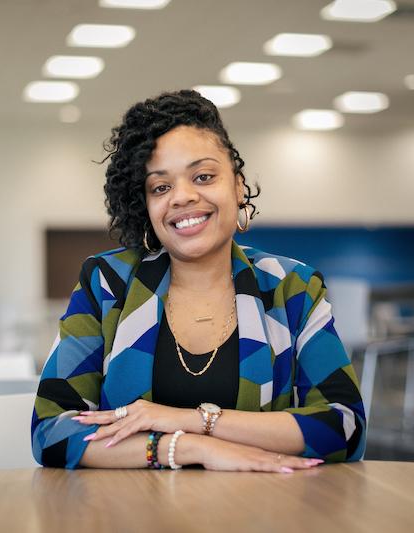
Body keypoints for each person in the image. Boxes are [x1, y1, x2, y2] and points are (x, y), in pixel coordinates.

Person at [31, 89, 366, 472]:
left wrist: (194, 420)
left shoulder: (292, 287)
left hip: (263, 510)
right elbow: (51, 431)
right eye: (160, 187)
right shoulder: (107, 283)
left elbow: (344, 427)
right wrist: (191, 448)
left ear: (238, 186)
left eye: (203, 176)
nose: (183, 197)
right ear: (146, 205)